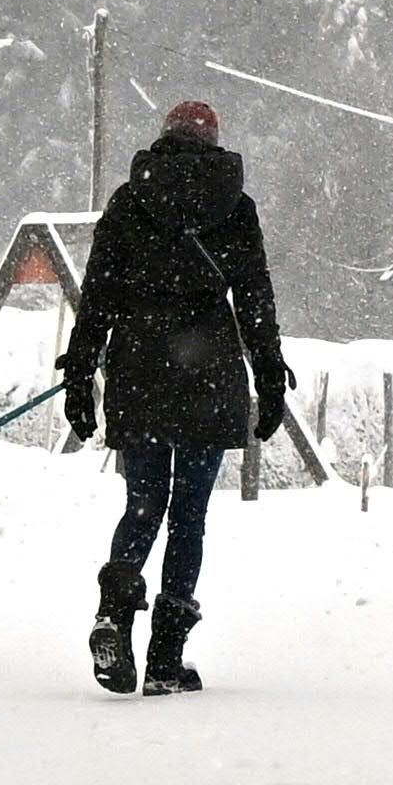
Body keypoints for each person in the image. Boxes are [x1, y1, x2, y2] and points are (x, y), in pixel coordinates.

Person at [62, 100, 292, 696]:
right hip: (207, 374)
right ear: (213, 142)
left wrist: (79, 373)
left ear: (164, 138)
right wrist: (269, 376)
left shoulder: (128, 201)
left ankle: (114, 615)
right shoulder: (235, 206)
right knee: (189, 515)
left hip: (139, 371)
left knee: (143, 503)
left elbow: (98, 296)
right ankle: (166, 660)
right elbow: (256, 301)